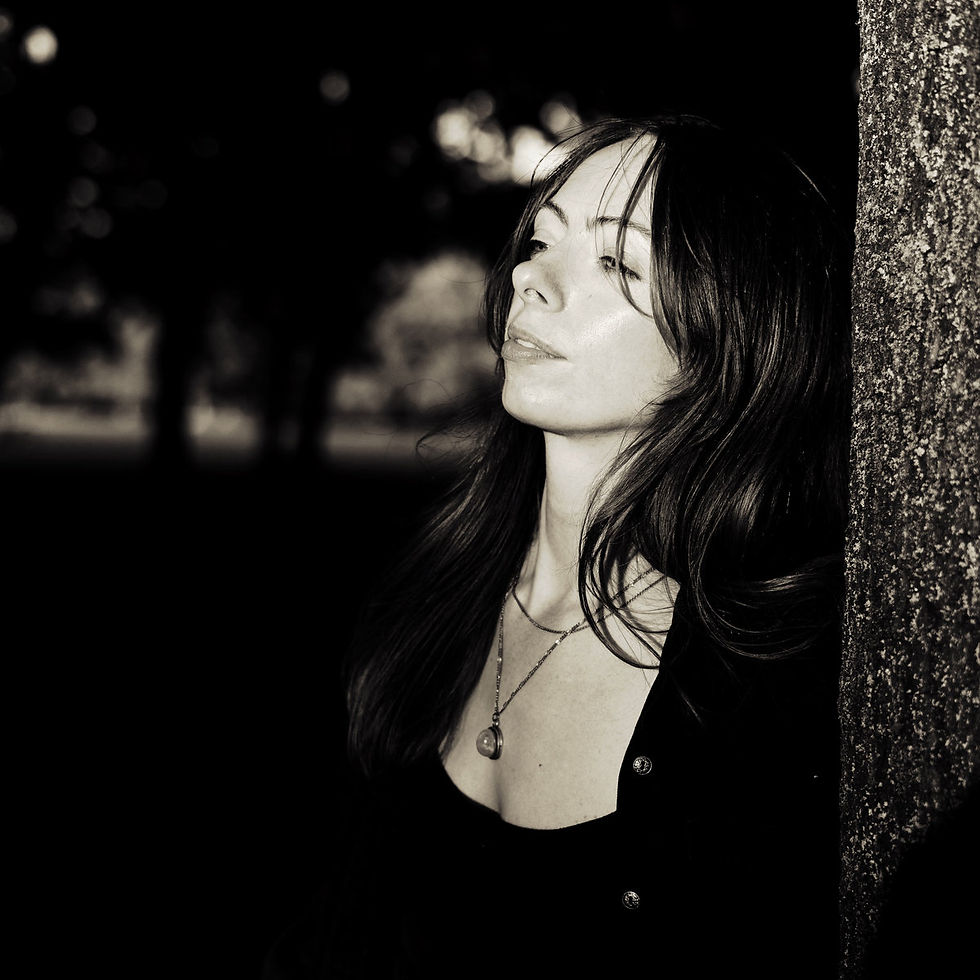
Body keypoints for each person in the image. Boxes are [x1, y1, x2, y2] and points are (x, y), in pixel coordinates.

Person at [264, 114, 851, 978]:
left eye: (615, 262)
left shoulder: (771, 683)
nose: (532, 279)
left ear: (732, 332)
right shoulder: (425, 584)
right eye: (541, 239)